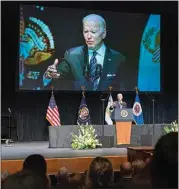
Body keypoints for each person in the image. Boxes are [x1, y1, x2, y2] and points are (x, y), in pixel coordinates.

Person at [44, 14, 125, 91]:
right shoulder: (72, 55)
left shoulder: (118, 58)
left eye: (93, 32)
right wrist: (49, 75)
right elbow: (57, 74)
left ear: (104, 34)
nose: (88, 36)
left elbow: (124, 86)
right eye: (86, 31)